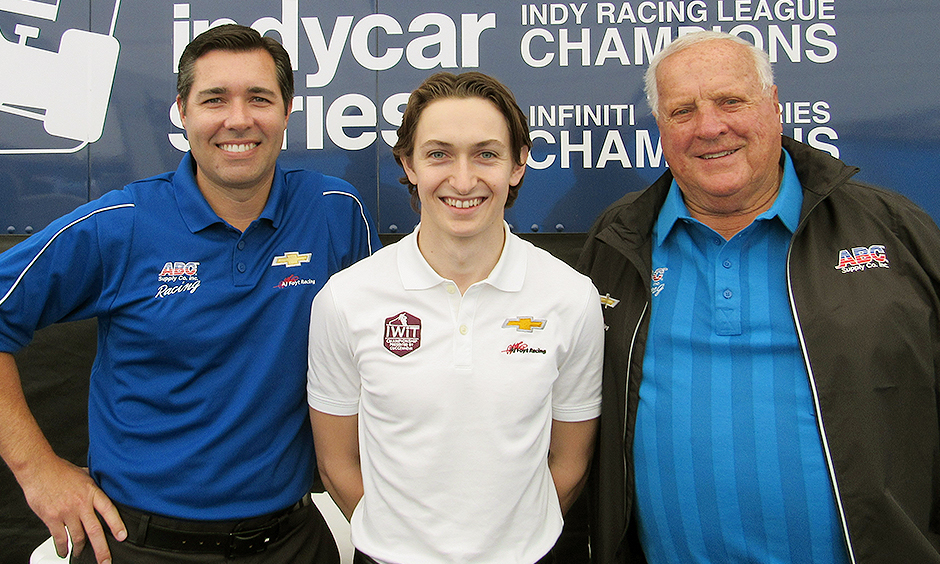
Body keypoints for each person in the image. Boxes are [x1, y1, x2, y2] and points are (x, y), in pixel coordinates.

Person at [0, 24, 378, 564]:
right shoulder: (121, 224)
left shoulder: (336, 210)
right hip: (137, 546)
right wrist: (37, 470)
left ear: (288, 112)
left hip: (293, 541)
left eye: (260, 99)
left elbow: (379, 360)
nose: (238, 119)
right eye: (214, 99)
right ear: (182, 112)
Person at [579, 30, 940, 564]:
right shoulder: (619, 238)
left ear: (773, 106)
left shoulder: (894, 231)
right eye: (682, 111)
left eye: (730, 101)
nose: (709, 127)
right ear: (661, 129)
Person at [306, 71, 604, 564]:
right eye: (439, 153)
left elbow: (570, 462)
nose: (462, 180)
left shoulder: (570, 297)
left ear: (518, 163)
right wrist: (401, 545)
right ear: (409, 164)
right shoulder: (346, 298)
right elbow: (336, 461)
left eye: (486, 154)